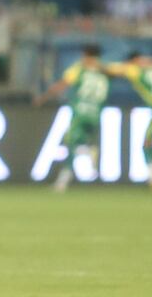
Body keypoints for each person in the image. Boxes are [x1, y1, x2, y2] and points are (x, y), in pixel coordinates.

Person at [34, 44, 110, 192]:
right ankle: (88, 151)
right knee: (83, 141)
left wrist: (43, 98)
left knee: (71, 143)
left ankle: (63, 180)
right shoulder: (106, 70)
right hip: (96, 113)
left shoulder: (79, 69)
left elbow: (62, 85)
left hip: (80, 112)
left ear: (86, 54)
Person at [104, 52, 152, 191]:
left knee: (147, 143)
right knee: (151, 143)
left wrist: (95, 66)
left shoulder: (135, 69)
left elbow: (112, 70)